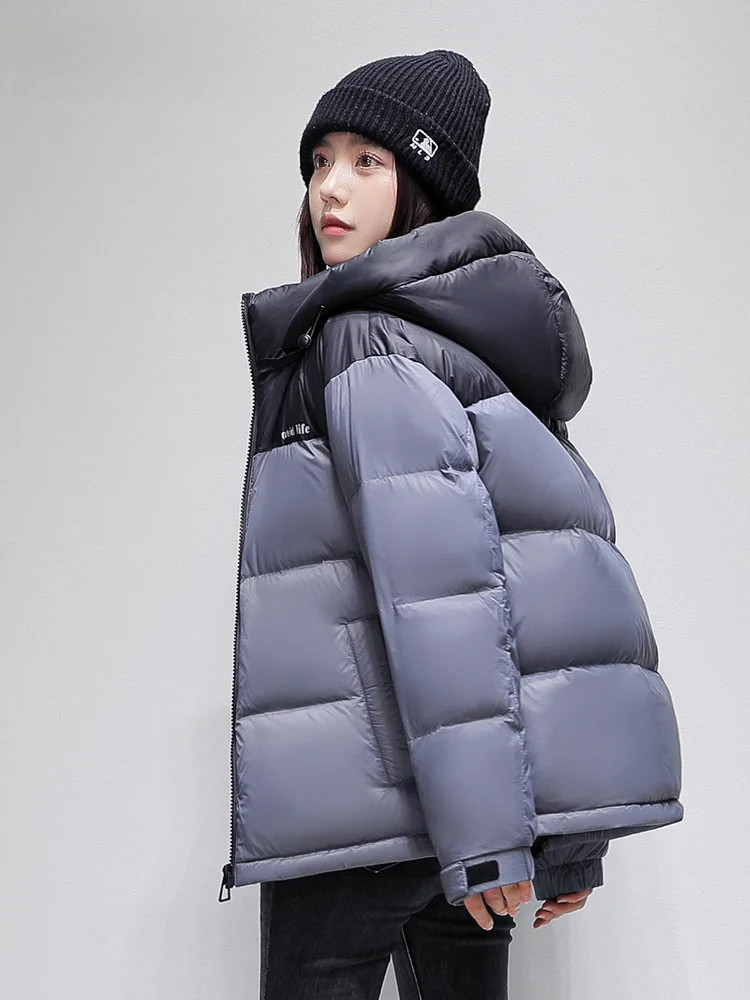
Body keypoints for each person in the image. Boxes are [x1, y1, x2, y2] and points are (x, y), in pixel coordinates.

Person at [218, 50, 684, 999]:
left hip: (369, 815)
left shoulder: (364, 342)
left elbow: (449, 602)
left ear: (422, 188)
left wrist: (486, 844)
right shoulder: (455, 348)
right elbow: (532, 581)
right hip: (453, 811)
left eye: (367, 162)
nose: (329, 188)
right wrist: (555, 839)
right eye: (320, 161)